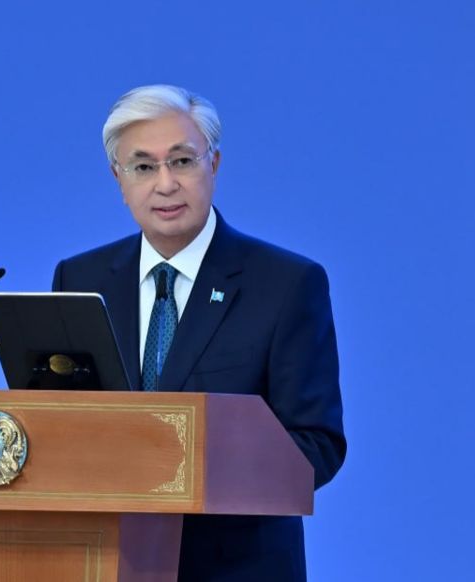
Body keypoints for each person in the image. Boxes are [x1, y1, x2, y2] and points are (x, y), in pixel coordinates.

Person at [51, 84, 346, 582]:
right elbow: (58, 423)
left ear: (215, 164)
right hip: (105, 562)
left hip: (236, 567)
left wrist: (192, 472)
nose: (165, 184)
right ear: (118, 178)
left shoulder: (285, 284)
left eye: (182, 161)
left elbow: (317, 446)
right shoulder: (80, 279)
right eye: (143, 167)